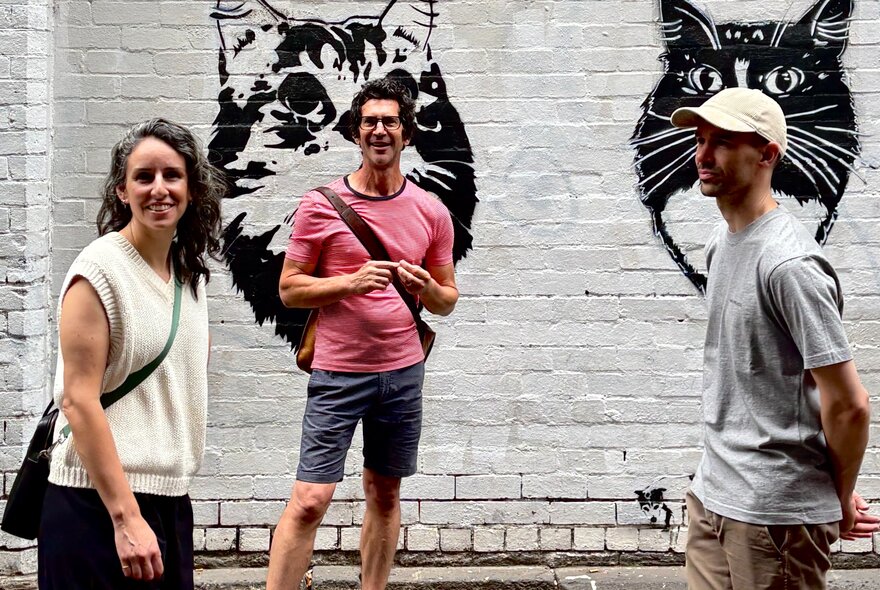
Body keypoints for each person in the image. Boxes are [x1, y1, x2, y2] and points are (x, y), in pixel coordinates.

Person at [670, 88, 880, 589]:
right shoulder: (722, 243)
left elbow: (849, 404)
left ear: (767, 154)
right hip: (713, 493)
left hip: (772, 517)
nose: (702, 155)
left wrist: (837, 492)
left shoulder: (789, 266)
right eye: (700, 140)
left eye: (722, 142)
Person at [268, 78, 458, 590]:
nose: (380, 130)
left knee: (385, 493)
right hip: (338, 373)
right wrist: (347, 283)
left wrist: (426, 288)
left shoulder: (431, 211)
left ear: (407, 134)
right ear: (356, 132)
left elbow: (447, 299)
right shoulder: (321, 205)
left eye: (390, 122)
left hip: (402, 373)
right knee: (310, 500)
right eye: (370, 121)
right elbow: (289, 290)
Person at [38, 119, 225, 589]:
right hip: (96, 505)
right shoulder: (98, 273)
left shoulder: (190, 277)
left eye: (172, 175)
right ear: (122, 191)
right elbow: (78, 400)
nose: (158, 189)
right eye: (143, 177)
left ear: (193, 188)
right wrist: (125, 518)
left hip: (168, 500)